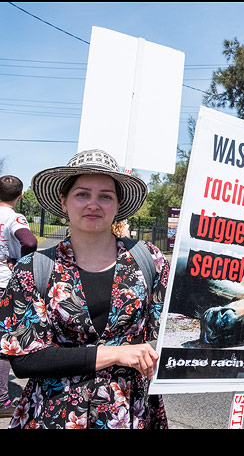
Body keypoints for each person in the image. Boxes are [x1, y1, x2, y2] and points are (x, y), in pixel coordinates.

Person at [0, 149, 169, 429]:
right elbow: (25, 359)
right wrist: (116, 354)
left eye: (106, 196)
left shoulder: (148, 260)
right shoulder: (35, 268)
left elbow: (169, 333)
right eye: (82, 194)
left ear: (117, 205)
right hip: (55, 415)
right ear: (63, 202)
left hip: (130, 413)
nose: (94, 204)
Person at [0, 175, 38, 417]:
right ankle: (2, 400)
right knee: (3, 341)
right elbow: (30, 241)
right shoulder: (14, 218)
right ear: (21, 195)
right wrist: (21, 262)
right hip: (3, 282)